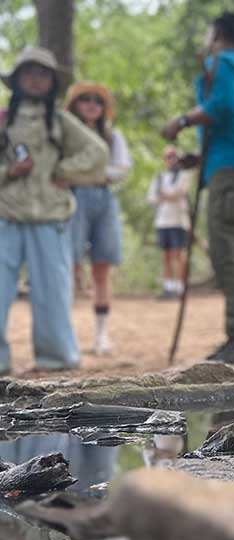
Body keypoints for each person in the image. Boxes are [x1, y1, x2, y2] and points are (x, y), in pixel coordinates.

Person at [161, 11, 234, 366]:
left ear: (218, 33)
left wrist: (181, 121)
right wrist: (195, 159)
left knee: (229, 255)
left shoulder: (224, 60)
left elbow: (223, 107)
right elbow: (230, 124)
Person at [0, 47, 108, 374]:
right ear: (17, 78)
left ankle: (57, 360)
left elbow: (97, 152)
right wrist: (9, 172)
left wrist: (64, 171)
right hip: (6, 216)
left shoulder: (61, 122)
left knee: (53, 295)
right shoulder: (3, 119)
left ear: (52, 81)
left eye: (43, 73)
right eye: (29, 72)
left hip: (51, 219)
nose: (35, 78)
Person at [65, 81, 131, 356]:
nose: (92, 104)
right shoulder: (65, 136)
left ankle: (101, 335)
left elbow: (122, 168)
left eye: (98, 101)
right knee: (67, 266)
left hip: (103, 199)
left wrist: (93, 175)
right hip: (72, 200)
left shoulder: (112, 136)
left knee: (102, 268)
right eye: (85, 99)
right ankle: (65, 336)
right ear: (74, 105)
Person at [146, 145, 191, 299]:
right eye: (168, 157)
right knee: (166, 255)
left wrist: (165, 195)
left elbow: (179, 192)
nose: (171, 159)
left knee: (179, 254)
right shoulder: (159, 177)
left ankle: (180, 287)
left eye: (174, 156)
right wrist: (165, 196)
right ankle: (168, 287)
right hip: (162, 221)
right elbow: (151, 198)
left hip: (179, 220)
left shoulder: (184, 175)